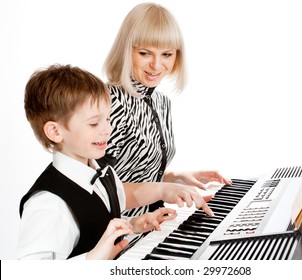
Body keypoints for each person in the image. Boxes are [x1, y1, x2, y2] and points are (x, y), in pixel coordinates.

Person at [17, 64, 213, 260]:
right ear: (55, 131)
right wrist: (92, 259)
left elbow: (115, 200)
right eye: (94, 123)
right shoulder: (48, 204)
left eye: (108, 119)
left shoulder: (97, 168)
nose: (106, 130)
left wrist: (132, 224)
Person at [99, 2, 232, 248]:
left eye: (167, 54)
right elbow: (98, 191)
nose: (156, 65)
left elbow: (132, 171)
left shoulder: (161, 102)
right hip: (112, 239)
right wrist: (163, 188)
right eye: (145, 53)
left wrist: (177, 177)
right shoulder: (107, 103)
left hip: (151, 229)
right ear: (126, 50)